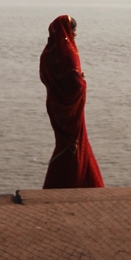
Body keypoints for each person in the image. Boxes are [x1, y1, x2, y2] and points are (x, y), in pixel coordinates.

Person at [39, 14, 104, 189]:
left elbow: (45, 77)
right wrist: (83, 82)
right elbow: (75, 82)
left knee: (64, 140)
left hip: (55, 104)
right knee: (74, 142)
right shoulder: (68, 51)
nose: (74, 35)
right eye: (73, 31)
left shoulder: (48, 53)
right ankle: (74, 181)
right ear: (67, 31)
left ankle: (74, 179)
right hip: (71, 106)